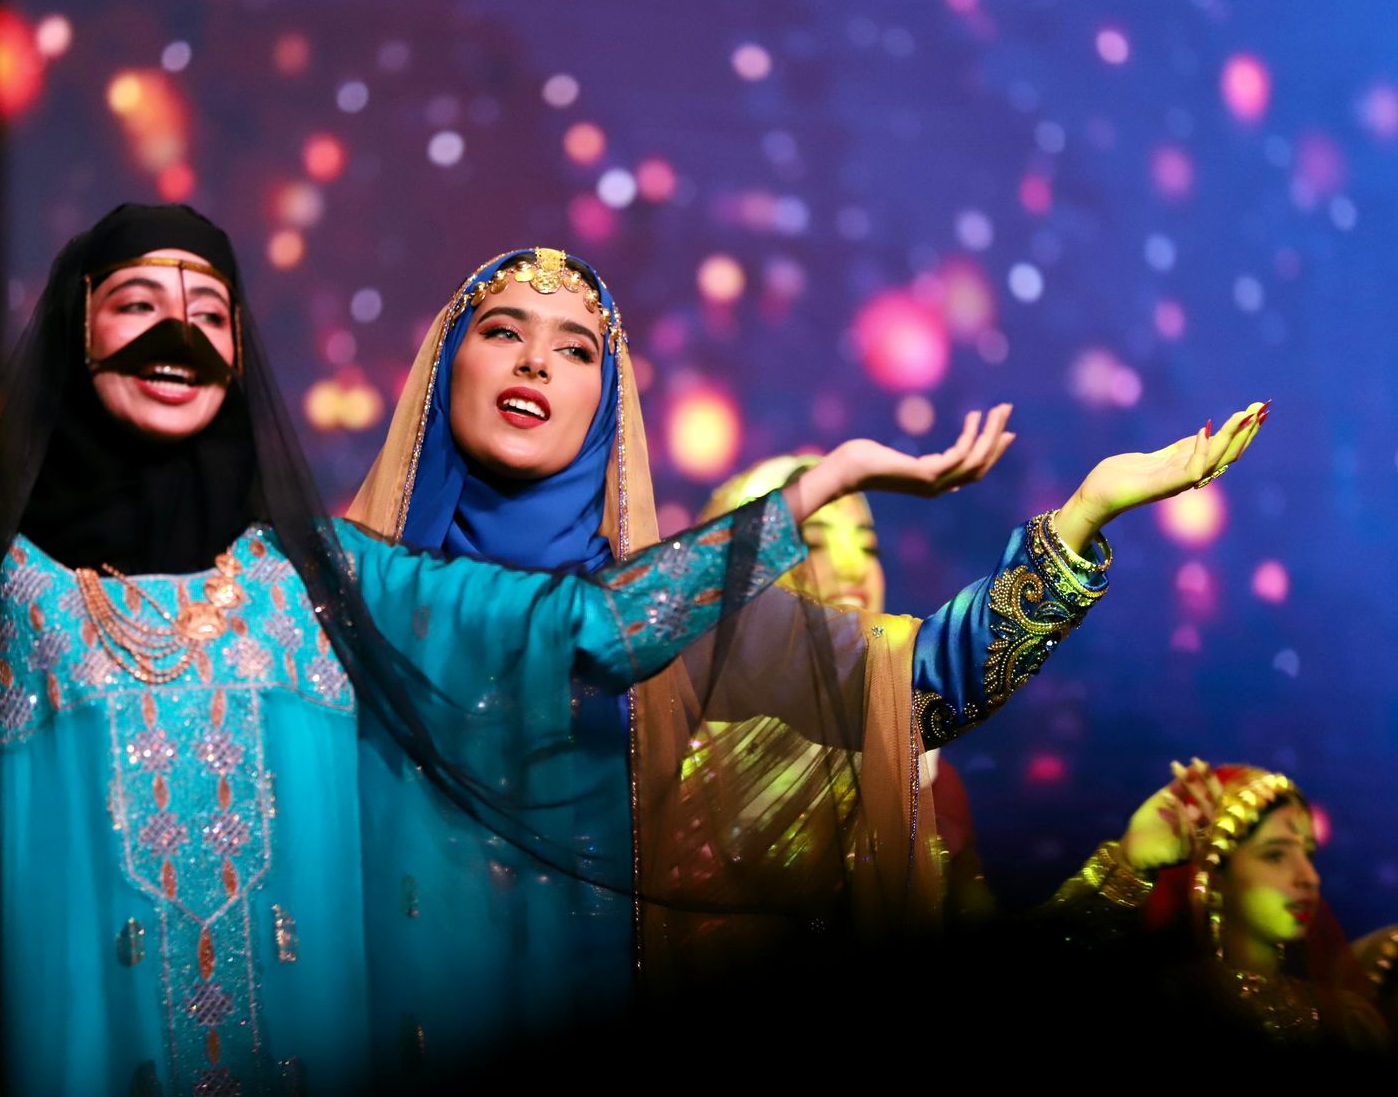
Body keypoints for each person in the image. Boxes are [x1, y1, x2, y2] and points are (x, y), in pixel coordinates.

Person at [0, 206, 1025, 1095]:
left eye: (210, 311)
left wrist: (823, 486)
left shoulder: (319, 581)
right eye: (137, 303)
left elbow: (597, 629)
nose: (178, 333)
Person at [345, 245, 1265, 1055]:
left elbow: (926, 685)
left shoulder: (680, 617)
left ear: (607, 404)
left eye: (579, 348)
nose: (536, 360)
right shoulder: (335, 591)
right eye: (503, 331)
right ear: (447, 364)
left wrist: (1083, 517)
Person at [699, 454, 999, 924]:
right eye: (814, 543)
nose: (853, 568)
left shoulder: (926, 776)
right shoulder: (676, 765)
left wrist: (1117, 876)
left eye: (869, 547)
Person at [1041, 760, 1388, 1054]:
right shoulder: (1154, 1004)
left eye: (1308, 854)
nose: (1309, 877)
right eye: (1275, 855)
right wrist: (1128, 862)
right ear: (1216, 875)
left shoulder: (1348, 1024)